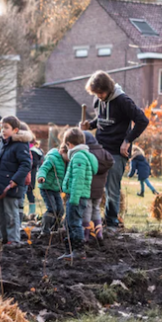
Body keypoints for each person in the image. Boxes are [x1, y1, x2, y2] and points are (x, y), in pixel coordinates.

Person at [80, 71, 149, 229]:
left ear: (108, 88)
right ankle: (91, 220)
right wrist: (90, 125)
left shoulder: (123, 100)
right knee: (93, 184)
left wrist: (127, 141)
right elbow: (102, 118)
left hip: (117, 151)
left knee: (112, 188)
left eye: (100, 93)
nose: (98, 96)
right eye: (95, 94)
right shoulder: (99, 99)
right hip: (99, 147)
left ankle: (111, 223)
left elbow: (142, 120)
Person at [0, 116, 33, 245]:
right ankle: (4, 237)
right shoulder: (2, 143)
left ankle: (13, 239)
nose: (3, 130)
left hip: (11, 186)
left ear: (15, 130)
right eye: (2, 128)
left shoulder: (20, 145)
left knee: (11, 213)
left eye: (6, 128)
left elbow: (25, 165)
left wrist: (15, 180)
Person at [60, 128, 98, 260]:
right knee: (69, 223)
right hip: (77, 196)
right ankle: (70, 250)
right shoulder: (81, 155)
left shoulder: (78, 156)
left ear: (69, 144)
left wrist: (74, 198)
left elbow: (78, 179)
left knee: (74, 223)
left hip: (76, 196)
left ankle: (79, 251)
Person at [84, 131, 113, 242]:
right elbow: (111, 161)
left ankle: (86, 234)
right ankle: (99, 233)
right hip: (99, 189)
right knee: (96, 209)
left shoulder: (86, 153)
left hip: (88, 188)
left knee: (87, 210)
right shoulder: (104, 153)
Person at [37, 143, 68, 236]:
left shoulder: (65, 161)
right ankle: (45, 230)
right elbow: (43, 168)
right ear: (62, 151)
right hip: (47, 187)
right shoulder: (52, 158)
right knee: (52, 208)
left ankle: (55, 228)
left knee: (60, 210)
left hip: (56, 189)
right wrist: (41, 176)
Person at [27, 140, 44, 220]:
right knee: (29, 193)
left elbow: (34, 163)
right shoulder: (34, 150)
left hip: (30, 176)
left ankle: (32, 212)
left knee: (29, 193)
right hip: (30, 175)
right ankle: (30, 212)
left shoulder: (33, 151)